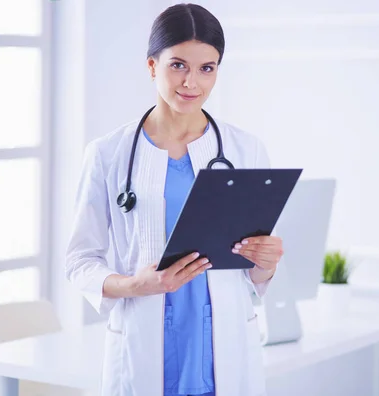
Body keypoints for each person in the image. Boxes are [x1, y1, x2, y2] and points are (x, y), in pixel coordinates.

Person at [65, 4, 283, 396]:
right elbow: (80, 262)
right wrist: (136, 284)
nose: (192, 83)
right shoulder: (107, 154)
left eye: (207, 68)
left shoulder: (245, 149)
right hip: (142, 344)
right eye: (178, 65)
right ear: (152, 66)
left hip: (223, 350)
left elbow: (252, 274)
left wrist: (266, 264)